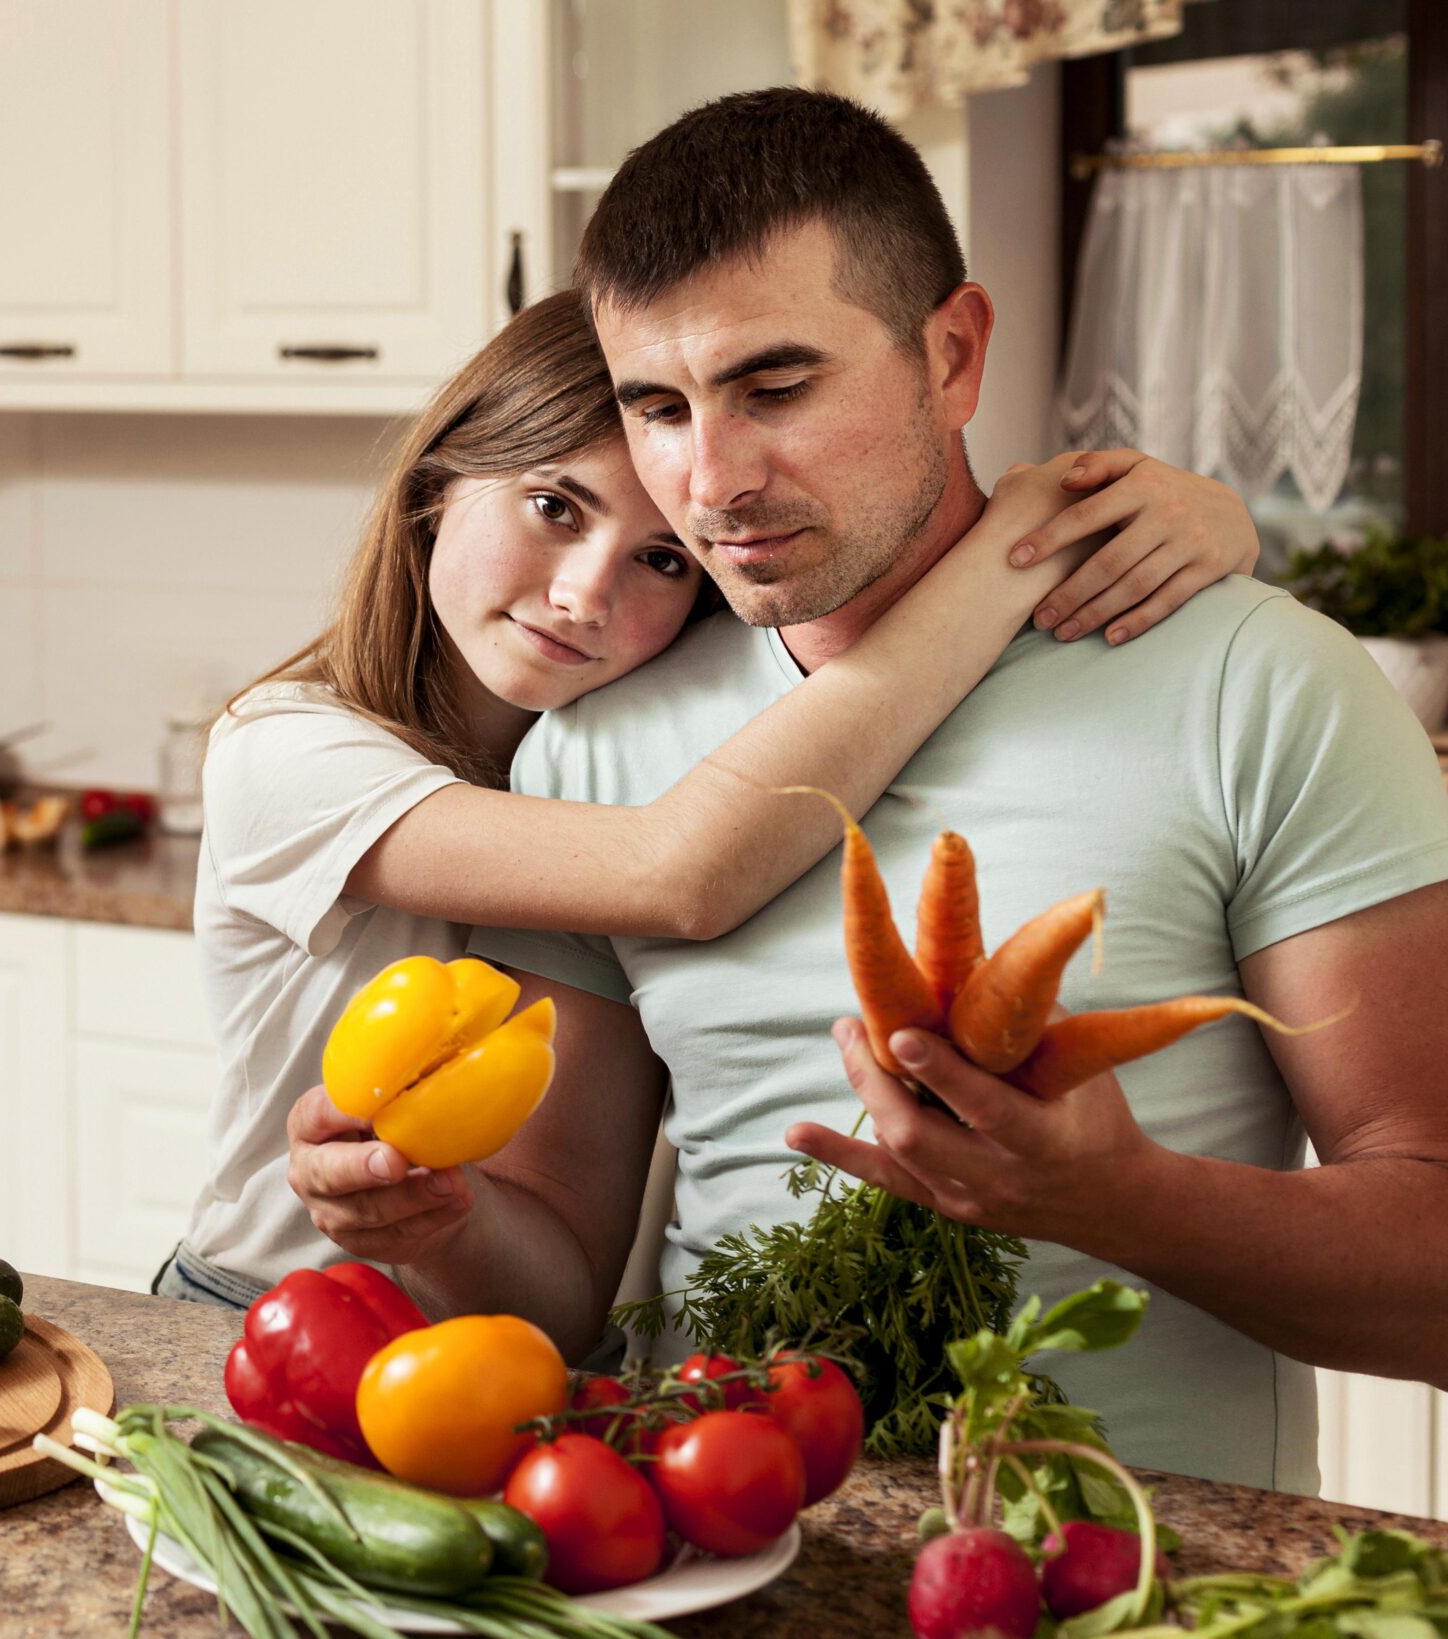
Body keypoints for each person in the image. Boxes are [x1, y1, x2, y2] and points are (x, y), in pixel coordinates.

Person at [285, 89, 1448, 1493]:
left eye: (775, 387)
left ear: (952, 356)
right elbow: (560, 1288)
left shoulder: (1263, 688)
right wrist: (437, 1221)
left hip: (1148, 1597)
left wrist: (1123, 1202)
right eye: (658, 407)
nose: (708, 481)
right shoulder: (599, 745)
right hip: (715, 1565)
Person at [168, 288, 1261, 1310]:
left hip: (494, 1358)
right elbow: (677, 871)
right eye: (552, 505)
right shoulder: (285, 752)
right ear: (433, 485)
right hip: (258, 1310)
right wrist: (1017, 550)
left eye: (662, 558)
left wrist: (1198, 519)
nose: (585, 592)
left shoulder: (622, 737)